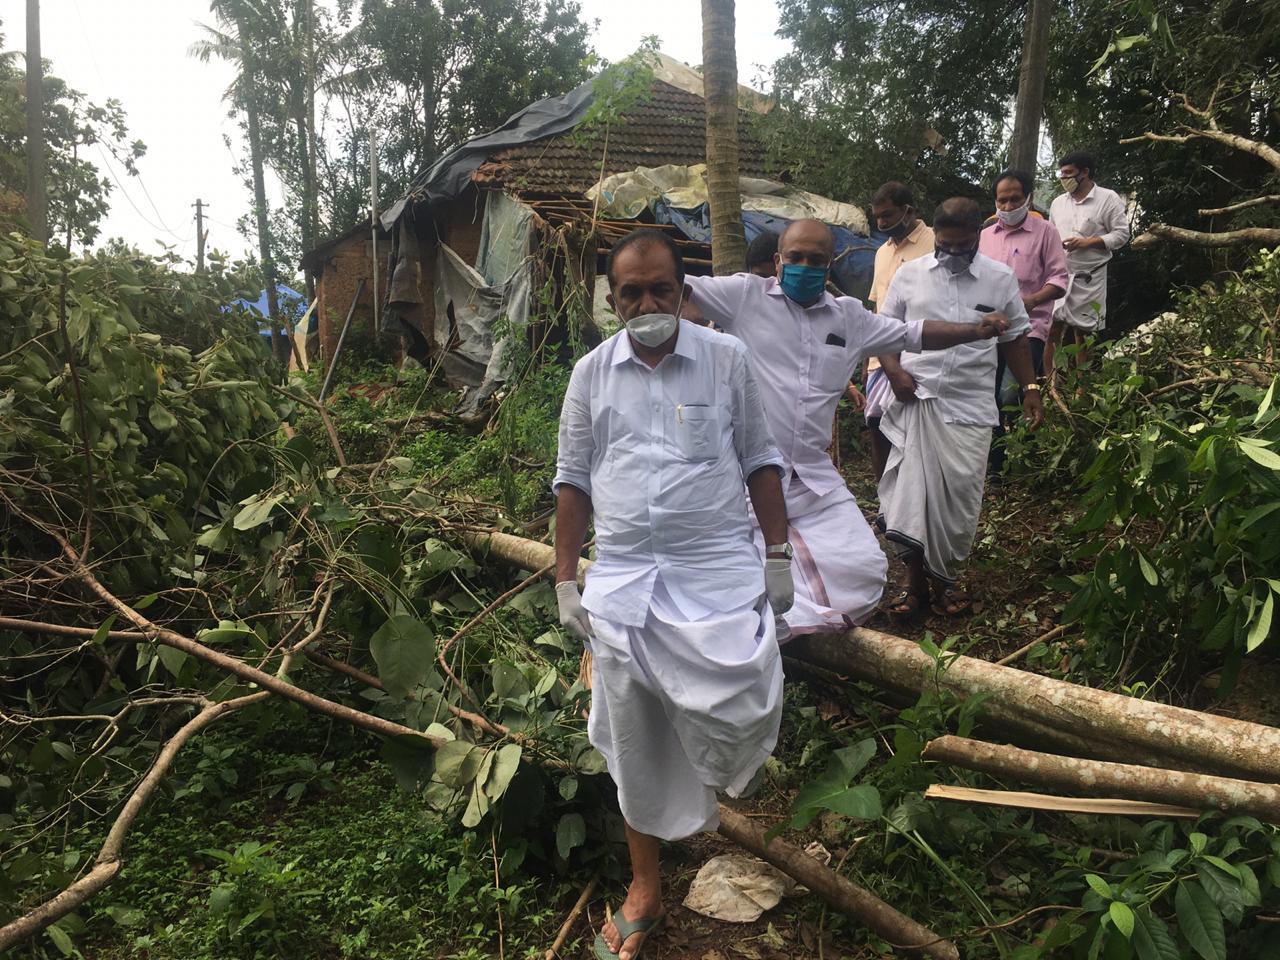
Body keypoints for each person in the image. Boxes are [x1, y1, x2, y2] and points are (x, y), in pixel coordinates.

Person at [553, 228, 794, 960]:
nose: (648, 302)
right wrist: (566, 577)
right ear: (611, 299)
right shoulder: (590, 374)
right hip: (625, 582)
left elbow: (759, 458)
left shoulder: (727, 360)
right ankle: (645, 885)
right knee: (633, 740)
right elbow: (573, 481)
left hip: (715, 573)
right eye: (632, 292)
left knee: (738, 707)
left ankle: (715, 811)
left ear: (685, 291)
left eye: (662, 288)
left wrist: (778, 554)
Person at [686, 219, 1009, 636]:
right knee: (738, 561)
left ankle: (784, 622)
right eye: (796, 258)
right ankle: (756, 626)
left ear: (829, 265)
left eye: (816, 260)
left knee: (866, 571)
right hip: (743, 476)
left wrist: (973, 330)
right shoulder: (745, 296)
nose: (805, 266)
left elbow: (913, 334)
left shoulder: (850, 318)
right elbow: (673, 288)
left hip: (812, 477)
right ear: (777, 261)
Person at [875, 198, 1043, 618]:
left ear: (977, 239)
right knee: (913, 499)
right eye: (944, 245)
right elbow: (884, 333)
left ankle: (946, 583)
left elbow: (1017, 339)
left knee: (959, 503)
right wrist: (895, 372)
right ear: (935, 235)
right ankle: (913, 588)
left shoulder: (1000, 279)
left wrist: (1030, 387)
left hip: (970, 403)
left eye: (961, 246)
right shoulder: (909, 275)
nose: (952, 253)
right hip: (917, 398)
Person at [979, 169, 1068, 473]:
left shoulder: (1046, 232)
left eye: (1014, 199)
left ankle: (1024, 457)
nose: (1007, 206)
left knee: (1012, 392)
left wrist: (1029, 301)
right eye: (1001, 200)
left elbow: (1059, 279)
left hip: (1030, 327)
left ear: (1027, 198)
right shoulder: (985, 236)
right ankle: (994, 466)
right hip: (990, 328)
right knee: (988, 394)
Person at [865, 182, 935, 479]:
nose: (882, 223)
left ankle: (913, 494)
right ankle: (884, 498)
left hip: (919, 352)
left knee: (913, 430)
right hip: (880, 356)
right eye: (877, 217)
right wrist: (867, 359)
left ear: (908, 211)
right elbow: (876, 306)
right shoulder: (881, 252)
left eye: (888, 215)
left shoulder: (935, 242)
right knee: (876, 424)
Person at [1046, 151, 1131, 373]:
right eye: (1062, 173)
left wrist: (1088, 243)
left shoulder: (1107, 198)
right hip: (1061, 273)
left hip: (1090, 275)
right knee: (1051, 328)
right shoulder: (1057, 203)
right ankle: (1048, 382)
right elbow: (1050, 234)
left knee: (1082, 333)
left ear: (1085, 172)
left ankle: (1081, 389)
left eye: (1069, 173)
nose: (1064, 178)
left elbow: (1122, 235)